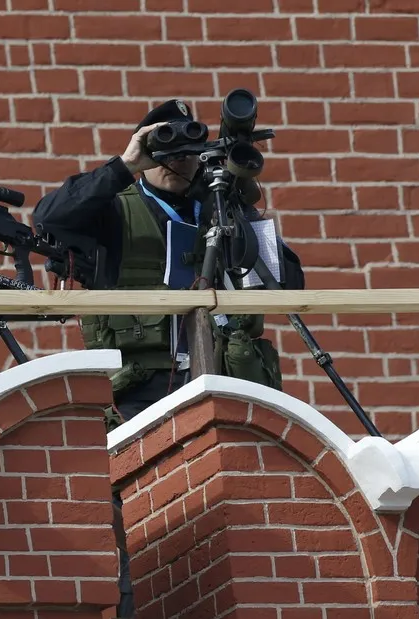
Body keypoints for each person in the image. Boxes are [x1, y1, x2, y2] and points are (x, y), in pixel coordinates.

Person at [33, 98, 306, 619]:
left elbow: (288, 284)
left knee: (243, 518)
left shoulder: (222, 207)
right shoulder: (116, 209)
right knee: (141, 522)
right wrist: (125, 164)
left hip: (228, 383)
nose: (178, 162)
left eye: (188, 153)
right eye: (166, 150)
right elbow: (49, 216)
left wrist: (246, 213)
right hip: (141, 390)